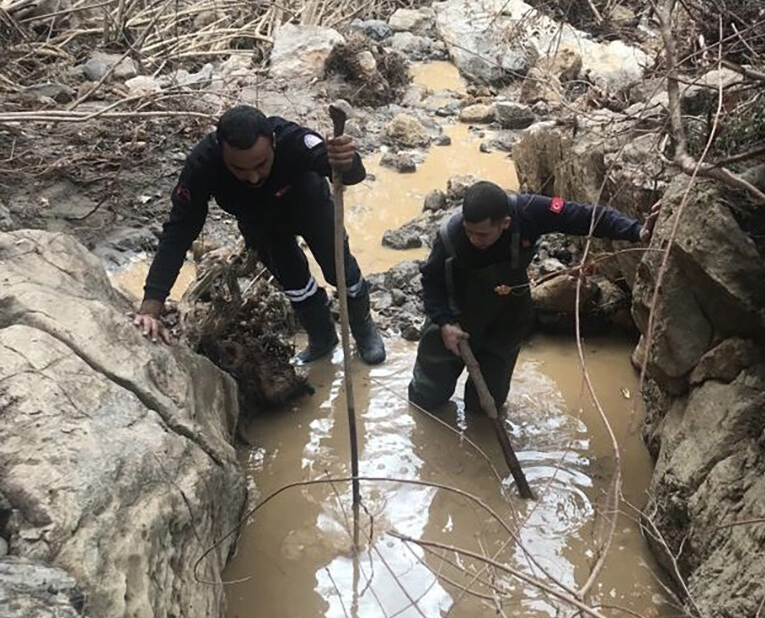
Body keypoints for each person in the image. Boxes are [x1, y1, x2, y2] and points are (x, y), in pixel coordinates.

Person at [131, 104, 385, 365]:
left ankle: (364, 329)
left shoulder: (294, 139)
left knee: (340, 272)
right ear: (221, 151)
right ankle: (322, 338)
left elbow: (348, 173)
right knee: (295, 284)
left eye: (261, 164)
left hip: (312, 209)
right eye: (239, 169)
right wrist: (152, 305)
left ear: (273, 143)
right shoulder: (203, 164)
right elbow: (179, 231)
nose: (253, 177)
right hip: (261, 225)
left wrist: (347, 160)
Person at [408, 180, 651, 412]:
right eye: (468, 231)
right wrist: (445, 323)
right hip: (457, 314)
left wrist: (636, 231)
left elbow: (585, 216)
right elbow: (431, 282)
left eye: (482, 234)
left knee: (488, 401)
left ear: (505, 223)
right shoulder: (450, 236)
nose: (473, 239)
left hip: (507, 316)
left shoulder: (528, 212)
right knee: (427, 396)